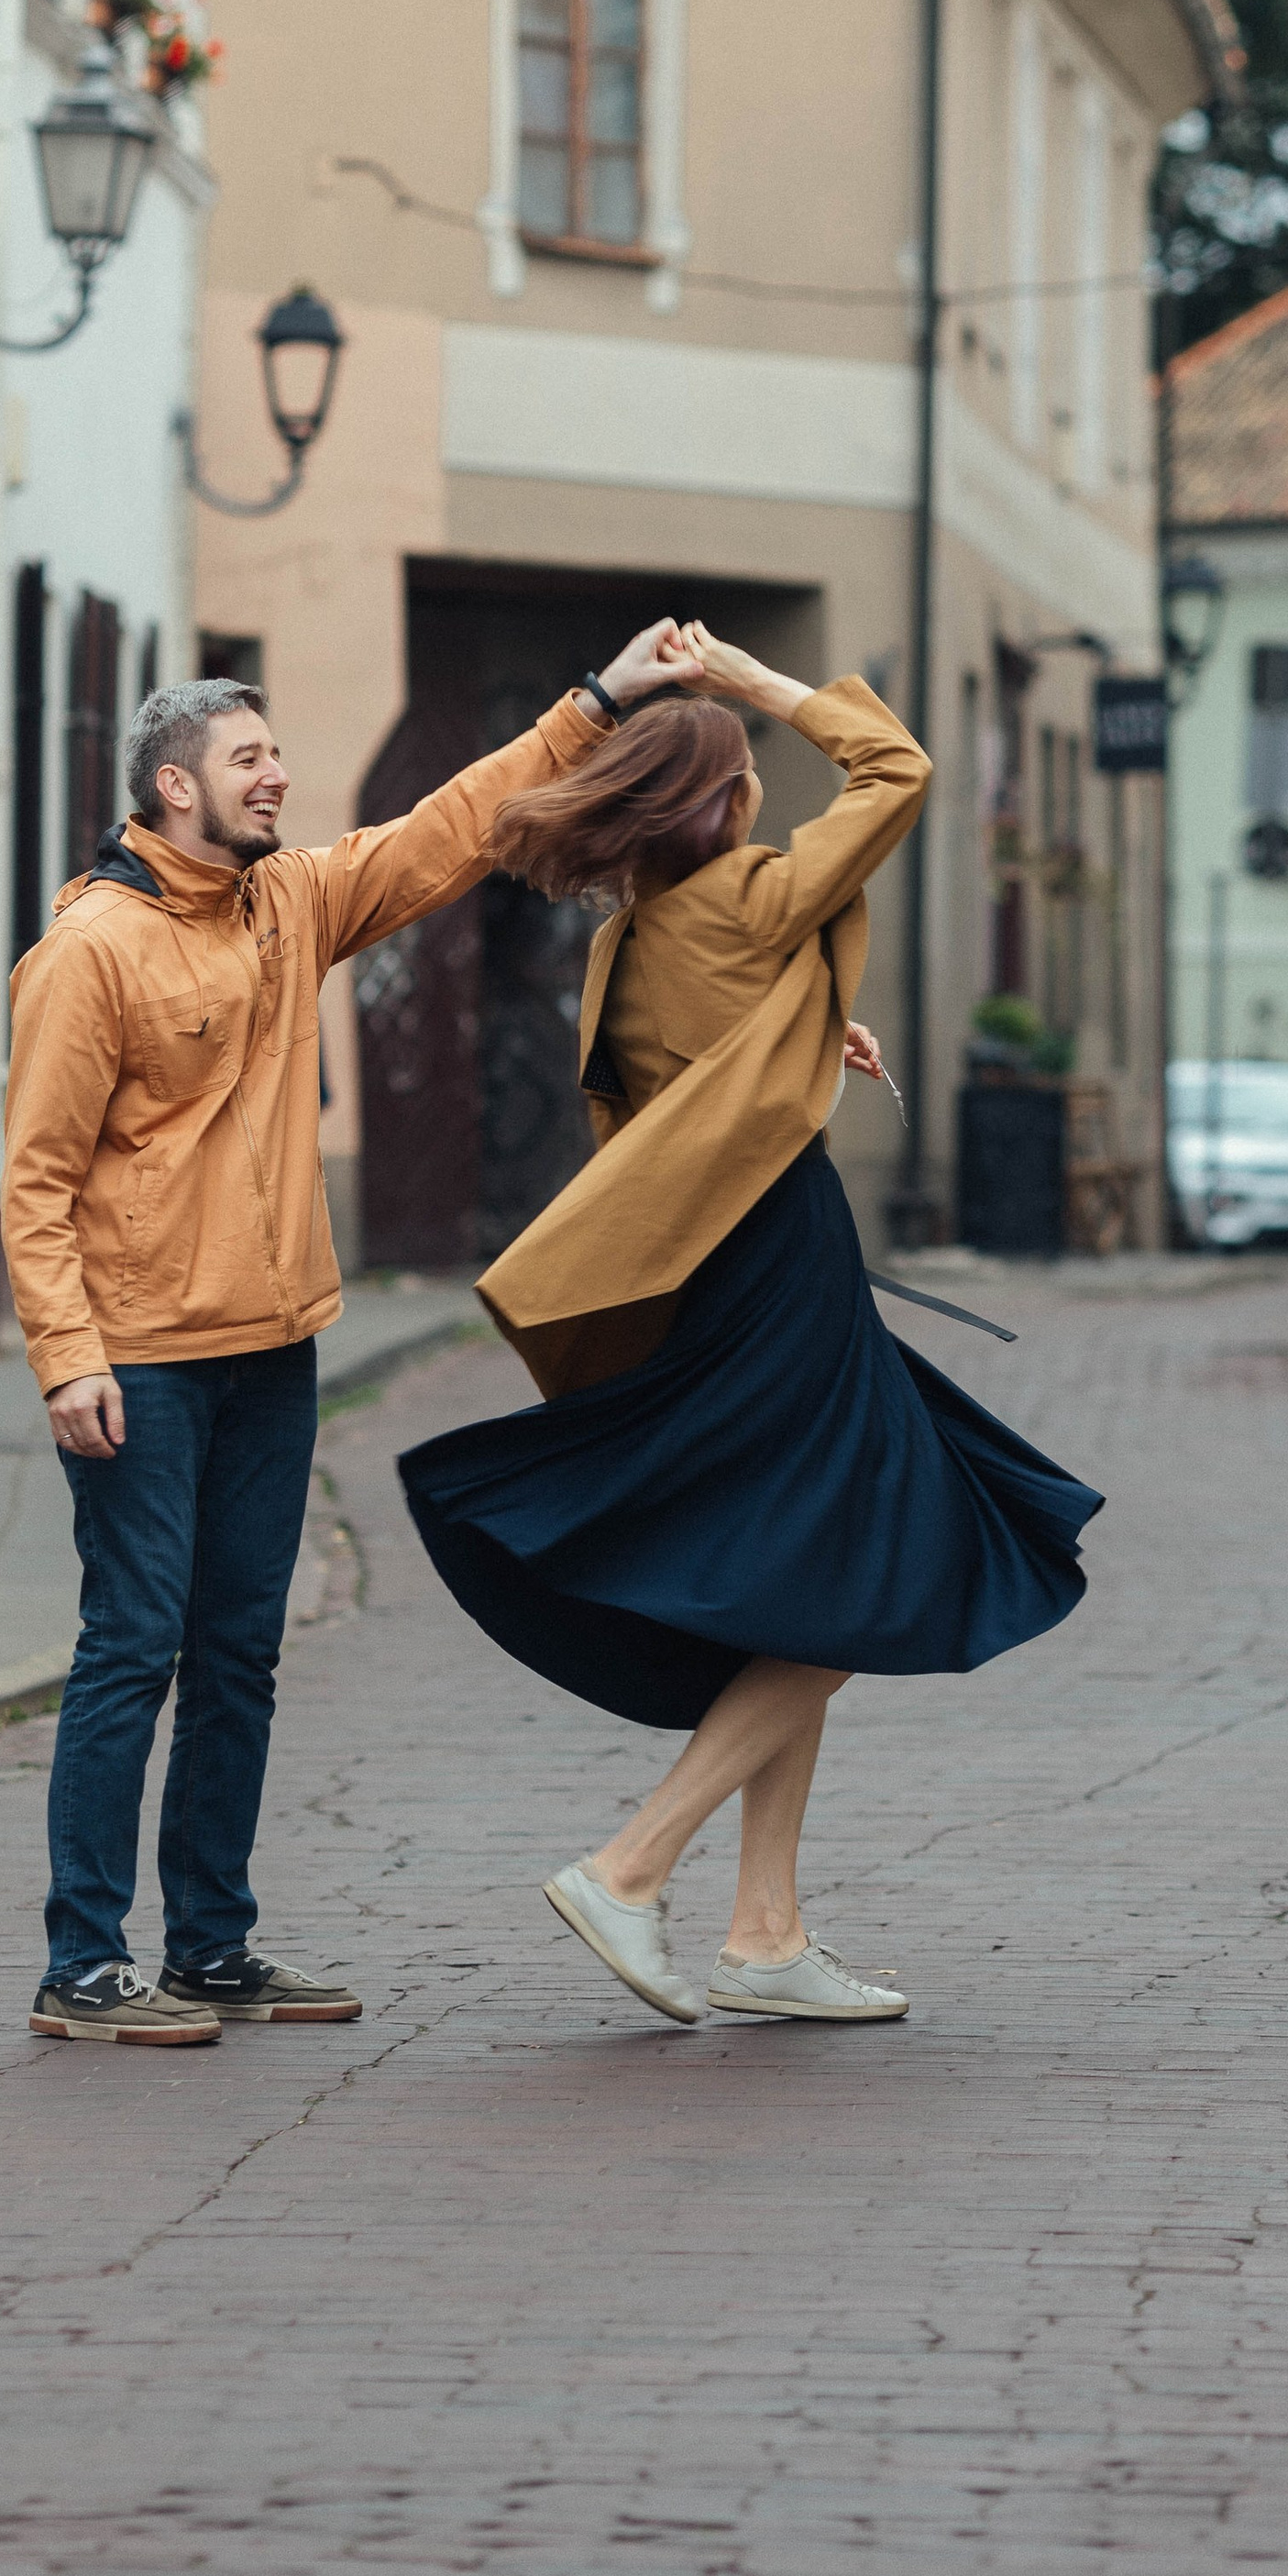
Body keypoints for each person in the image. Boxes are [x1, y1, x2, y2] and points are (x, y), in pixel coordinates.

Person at [3, 617, 696, 2046]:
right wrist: (67, 1355)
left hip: (272, 1347)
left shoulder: (292, 906)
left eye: (276, 757)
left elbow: (457, 826)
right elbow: (37, 1177)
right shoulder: (90, 951)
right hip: (139, 1355)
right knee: (135, 1644)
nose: (277, 780)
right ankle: (83, 1963)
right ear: (172, 788)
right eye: (248, 761)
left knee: (241, 1652)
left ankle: (210, 1946)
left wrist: (597, 698)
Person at [397, 627, 1103, 2028]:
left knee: (802, 1574)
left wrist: (805, 1027)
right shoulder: (757, 896)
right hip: (783, 1254)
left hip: (706, 1266)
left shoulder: (629, 943)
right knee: (872, 1559)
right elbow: (895, 768)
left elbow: (677, 1089)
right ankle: (630, 1865)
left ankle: (766, 1935)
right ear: (719, 802)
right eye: (745, 781)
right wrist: (755, 687)